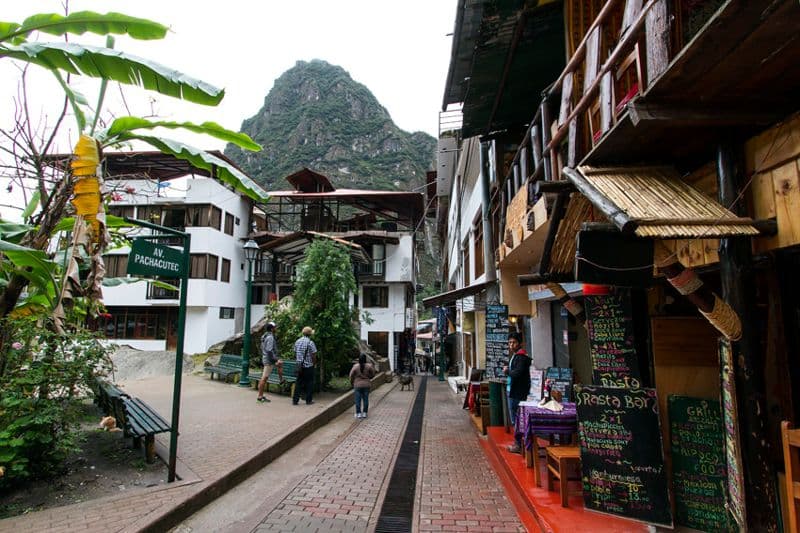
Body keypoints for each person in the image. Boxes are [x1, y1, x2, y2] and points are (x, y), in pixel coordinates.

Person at [504, 331, 531, 454]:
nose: (511, 345)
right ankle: (519, 442)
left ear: (520, 343)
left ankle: (518, 444)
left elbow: (517, 373)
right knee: (515, 417)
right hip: (512, 390)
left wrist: (507, 371)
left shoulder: (521, 357)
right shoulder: (516, 356)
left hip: (517, 392)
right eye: (509, 342)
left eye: (514, 342)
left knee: (516, 418)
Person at [257, 321, 282, 403]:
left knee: (279, 365)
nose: (276, 328)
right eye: (275, 327)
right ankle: (260, 397)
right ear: (272, 329)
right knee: (264, 378)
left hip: (266, 358)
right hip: (269, 360)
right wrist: (275, 360)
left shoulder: (264, 336)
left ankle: (281, 380)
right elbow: (269, 350)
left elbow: (263, 349)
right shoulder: (270, 337)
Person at [292, 326, 317, 405]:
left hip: (299, 365)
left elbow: (295, 352)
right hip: (308, 366)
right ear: (310, 334)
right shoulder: (310, 343)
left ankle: (295, 400)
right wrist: (314, 364)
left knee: (298, 382)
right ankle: (308, 400)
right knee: (309, 383)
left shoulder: (297, 341)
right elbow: (314, 355)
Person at [349, 353, 376, 419]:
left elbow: (351, 375)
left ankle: (358, 413)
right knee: (365, 399)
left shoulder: (355, 366)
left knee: (357, 399)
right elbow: (373, 374)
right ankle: (364, 413)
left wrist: (352, 382)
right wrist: (369, 378)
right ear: (365, 359)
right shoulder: (369, 366)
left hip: (357, 385)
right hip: (366, 385)